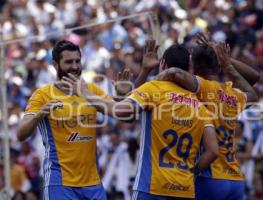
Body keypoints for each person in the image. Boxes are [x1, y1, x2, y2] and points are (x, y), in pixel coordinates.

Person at [61, 43, 219, 200]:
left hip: (152, 187)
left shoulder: (155, 88)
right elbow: (213, 151)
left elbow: (120, 111)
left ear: (163, 64)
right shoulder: (200, 106)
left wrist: (85, 92)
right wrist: (192, 172)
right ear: (188, 68)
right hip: (185, 189)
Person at [138, 35, 259, 199]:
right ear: (218, 67)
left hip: (209, 177)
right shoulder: (233, 94)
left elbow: (177, 74)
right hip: (235, 178)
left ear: (193, 65)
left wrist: (164, 71)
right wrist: (227, 62)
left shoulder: (202, 88)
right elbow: (254, 81)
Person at [16, 40, 113, 200]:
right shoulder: (43, 95)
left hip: (93, 182)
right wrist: (39, 115)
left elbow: (121, 112)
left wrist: (141, 74)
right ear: (55, 64)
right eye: (69, 62)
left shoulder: (90, 90)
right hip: (60, 182)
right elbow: (21, 134)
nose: (75, 66)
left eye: (77, 61)